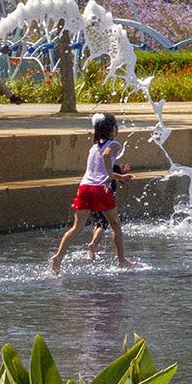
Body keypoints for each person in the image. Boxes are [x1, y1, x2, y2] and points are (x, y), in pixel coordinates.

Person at [51, 113, 139, 273]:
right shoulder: (114, 144)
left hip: (85, 187)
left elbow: (96, 170)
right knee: (116, 225)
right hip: (101, 189)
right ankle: (122, 260)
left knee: (76, 227)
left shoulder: (93, 147)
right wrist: (111, 176)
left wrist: (119, 177)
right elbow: (106, 158)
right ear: (113, 129)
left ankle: (58, 257)